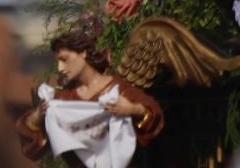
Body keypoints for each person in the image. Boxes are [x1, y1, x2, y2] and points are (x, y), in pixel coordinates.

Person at [16, 31, 162, 168]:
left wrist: (132, 109)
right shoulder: (63, 100)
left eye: (64, 59)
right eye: (58, 62)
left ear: (83, 53)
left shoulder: (117, 89)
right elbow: (32, 148)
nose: (60, 68)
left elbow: (153, 114)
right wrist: (37, 117)